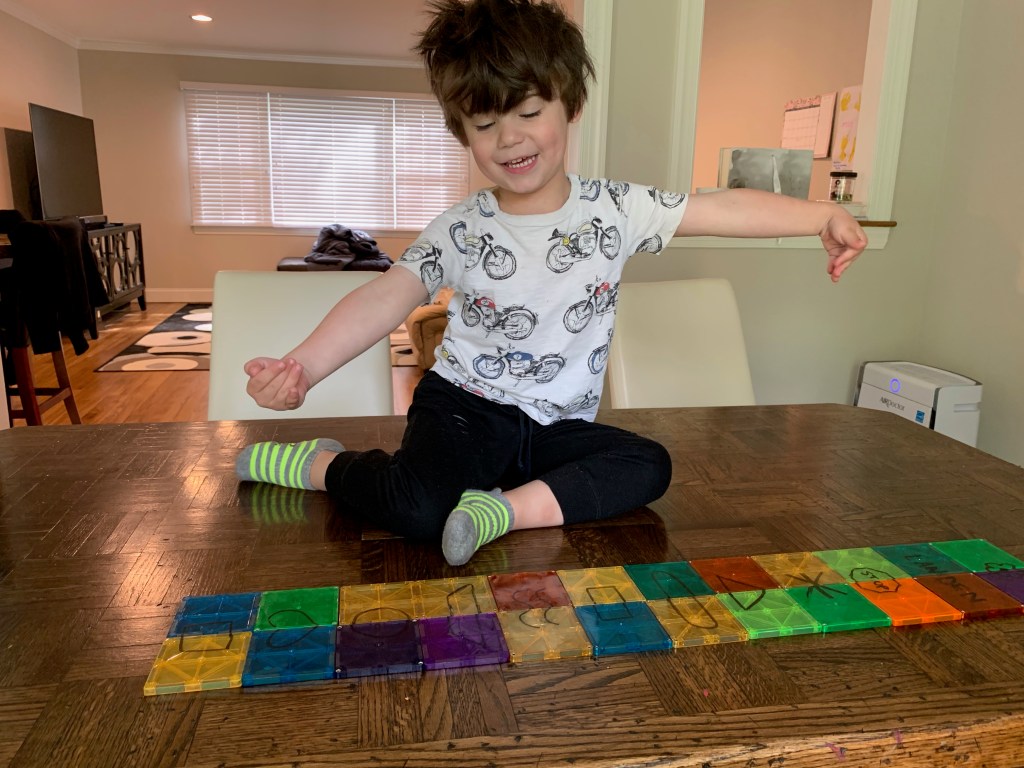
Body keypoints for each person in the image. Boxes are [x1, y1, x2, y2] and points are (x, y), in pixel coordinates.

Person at [236, 0, 868, 566]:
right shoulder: (459, 228)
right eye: (485, 124)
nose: (510, 138)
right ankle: (323, 465)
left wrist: (821, 215)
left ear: (571, 104)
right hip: (464, 409)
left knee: (647, 464)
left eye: (530, 112)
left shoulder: (617, 210)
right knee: (419, 511)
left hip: (556, 427)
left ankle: (502, 511)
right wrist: (303, 367)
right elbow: (383, 296)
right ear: (462, 132)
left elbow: (720, 208)